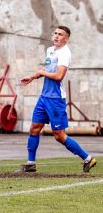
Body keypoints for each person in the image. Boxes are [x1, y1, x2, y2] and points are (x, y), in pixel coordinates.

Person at [20, 26, 97, 173]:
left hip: (55, 99)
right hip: (44, 97)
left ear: (66, 39)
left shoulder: (64, 54)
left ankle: (88, 158)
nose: (56, 36)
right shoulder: (50, 50)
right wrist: (33, 76)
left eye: (60, 34)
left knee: (59, 136)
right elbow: (49, 72)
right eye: (55, 33)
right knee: (34, 128)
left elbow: (58, 76)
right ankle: (30, 163)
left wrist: (40, 72)